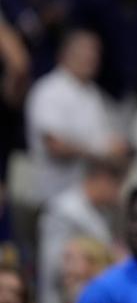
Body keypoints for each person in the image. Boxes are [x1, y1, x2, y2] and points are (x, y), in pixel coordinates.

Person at [25, 29, 127, 205]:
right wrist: (100, 152)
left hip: (89, 196)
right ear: (65, 53)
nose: (92, 57)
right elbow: (55, 145)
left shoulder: (92, 93)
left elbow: (106, 140)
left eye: (96, 53)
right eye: (85, 51)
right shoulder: (50, 89)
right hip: (55, 196)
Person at [37, 156, 125, 303]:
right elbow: (54, 264)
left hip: (87, 298)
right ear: (103, 179)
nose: (118, 194)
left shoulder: (102, 212)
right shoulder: (64, 209)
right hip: (60, 301)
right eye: (117, 186)